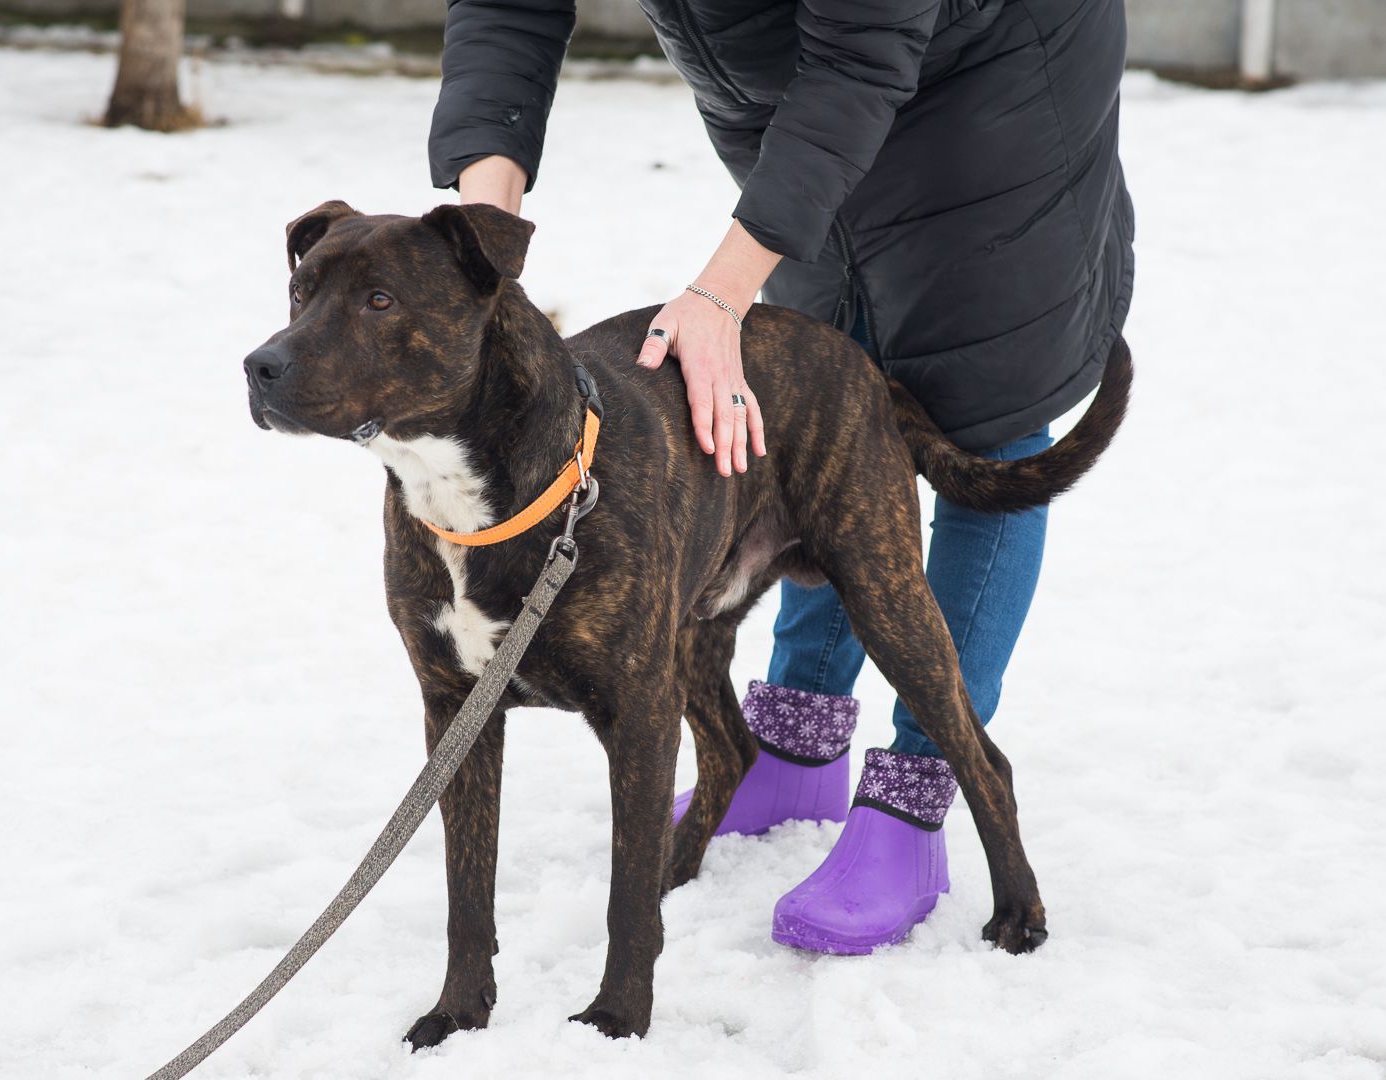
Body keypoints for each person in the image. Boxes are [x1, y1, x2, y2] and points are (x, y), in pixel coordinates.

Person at [427, 0, 1134, 954]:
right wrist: (481, 233)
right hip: (792, 88)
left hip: (991, 79)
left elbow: (863, 51)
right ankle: (796, 745)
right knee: (819, 393)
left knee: (984, 399)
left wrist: (721, 288)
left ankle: (916, 799)